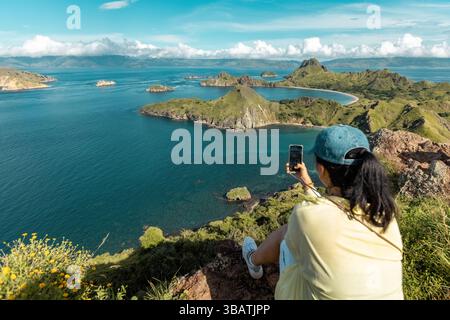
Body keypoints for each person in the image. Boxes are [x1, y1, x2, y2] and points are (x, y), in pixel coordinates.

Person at [242, 125, 404, 300]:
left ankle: (253, 261)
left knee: (288, 234)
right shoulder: (385, 216)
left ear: (321, 169)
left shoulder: (307, 214)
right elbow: (335, 210)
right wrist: (306, 183)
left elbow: (320, 216)